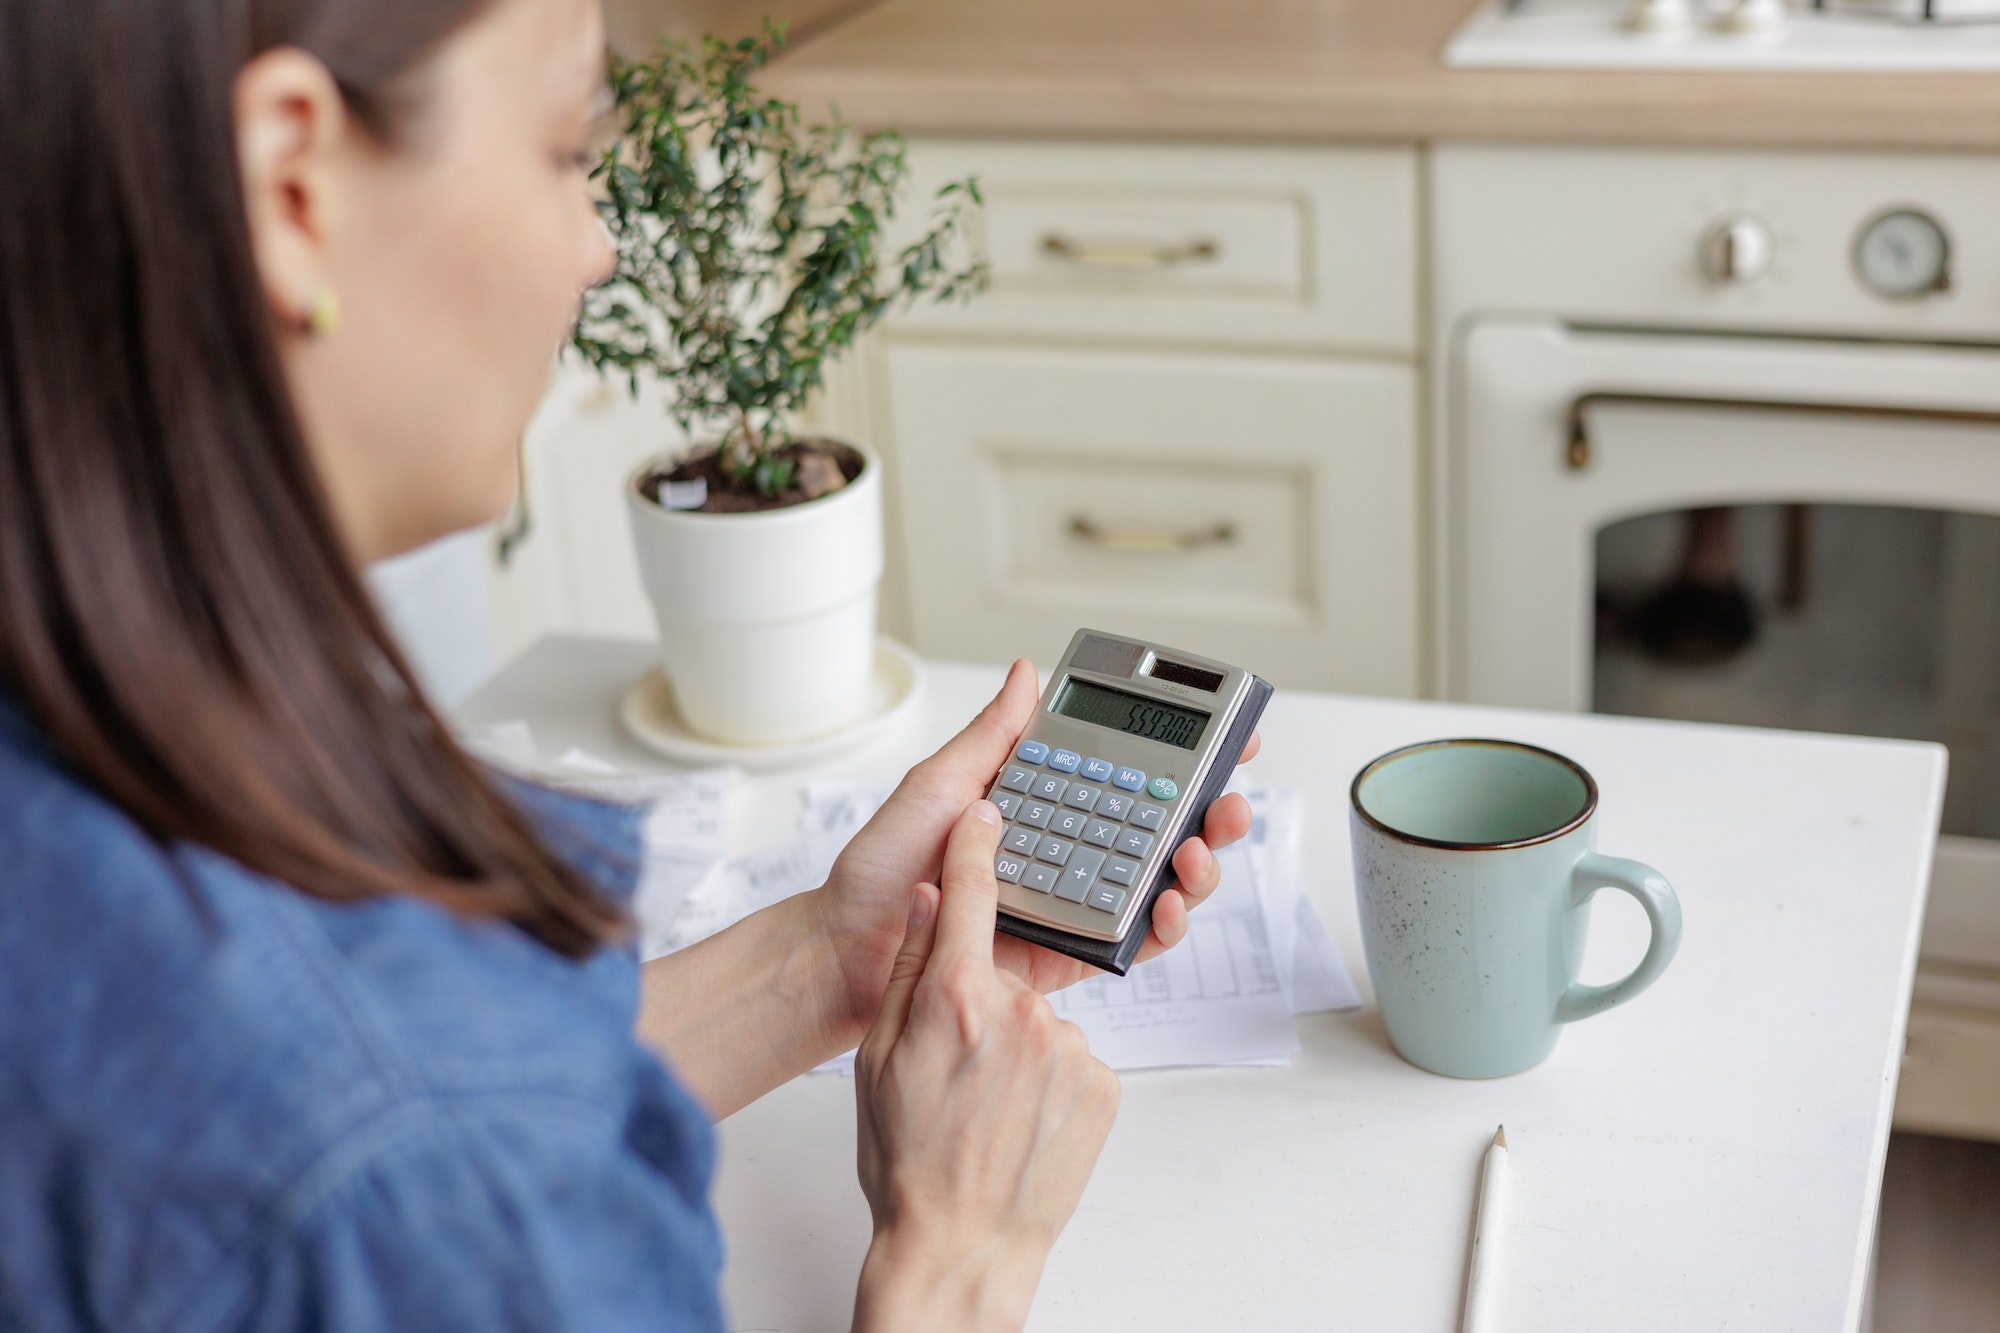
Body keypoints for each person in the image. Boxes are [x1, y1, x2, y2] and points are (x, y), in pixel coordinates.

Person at [0, 1, 1258, 1329]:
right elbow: (417, 1146)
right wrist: (957, 1255)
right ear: (292, 186)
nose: (596, 248)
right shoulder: (417, 1166)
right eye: (559, 149)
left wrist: (829, 955)